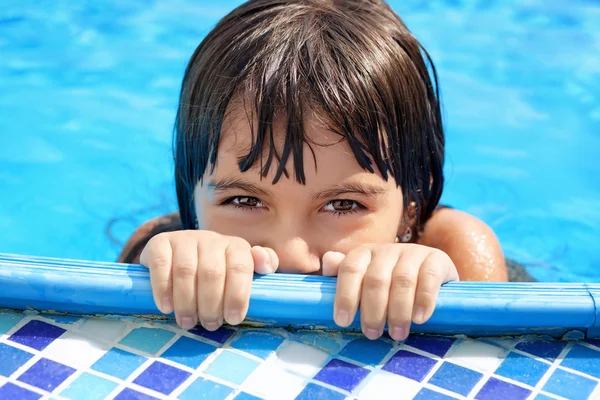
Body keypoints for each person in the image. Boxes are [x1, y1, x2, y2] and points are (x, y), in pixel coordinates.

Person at [118, 0, 522, 342]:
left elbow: (494, 361)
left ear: (412, 205)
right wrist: (162, 268)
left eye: (344, 204)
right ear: (192, 192)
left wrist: (440, 287)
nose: (291, 255)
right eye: (243, 199)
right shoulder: (162, 243)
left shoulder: (455, 245)